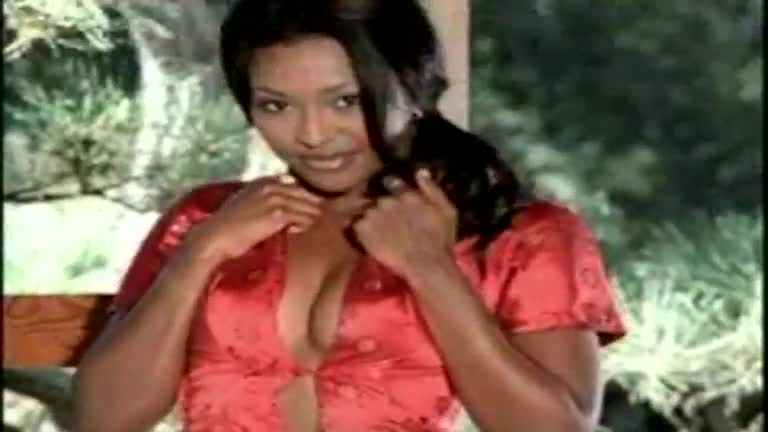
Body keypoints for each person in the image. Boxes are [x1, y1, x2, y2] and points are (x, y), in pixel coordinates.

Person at [72, 0, 627, 430]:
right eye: (275, 105)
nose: (312, 135)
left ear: (412, 85)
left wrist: (432, 270)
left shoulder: (522, 235)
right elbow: (102, 418)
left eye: (346, 101)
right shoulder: (208, 218)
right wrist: (199, 254)